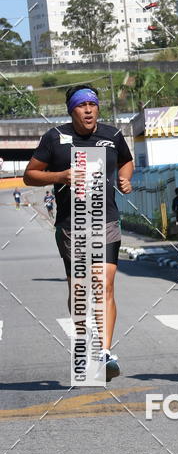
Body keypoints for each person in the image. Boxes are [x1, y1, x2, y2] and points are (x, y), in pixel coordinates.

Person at [24, 84, 134, 381]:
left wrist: (125, 179)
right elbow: (30, 174)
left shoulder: (112, 136)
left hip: (106, 220)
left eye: (93, 105)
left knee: (105, 284)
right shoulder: (55, 138)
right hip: (71, 224)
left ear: (98, 108)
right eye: (81, 106)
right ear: (71, 111)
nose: (88, 110)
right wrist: (60, 176)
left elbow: (126, 160)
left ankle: (105, 352)